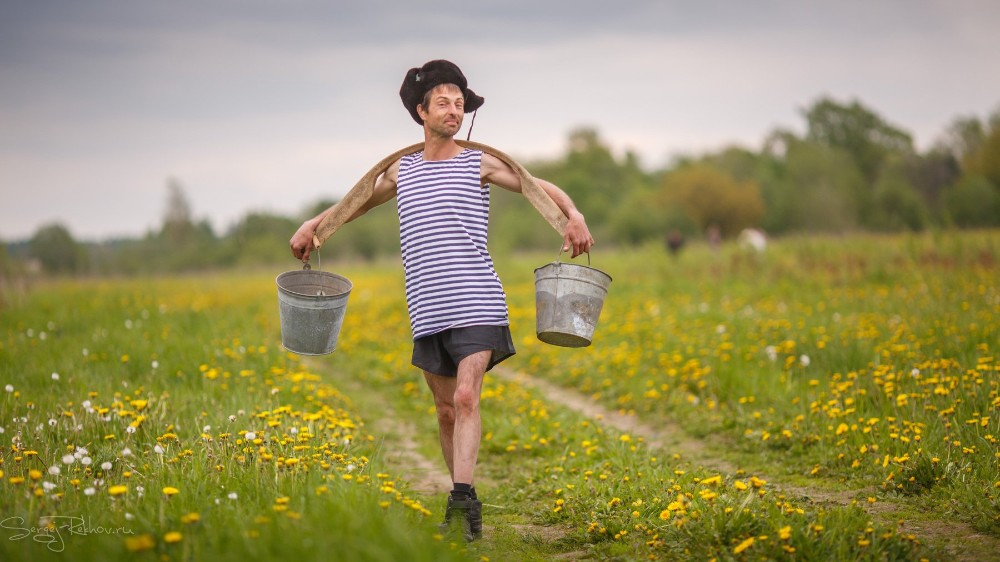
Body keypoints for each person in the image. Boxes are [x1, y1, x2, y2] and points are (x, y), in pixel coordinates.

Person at [289, 59, 594, 542]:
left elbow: (537, 186)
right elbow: (354, 203)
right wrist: (314, 226)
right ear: (421, 111)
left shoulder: (479, 162)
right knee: (446, 410)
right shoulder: (401, 171)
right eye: (444, 103)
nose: (453, 111)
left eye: (459, 104)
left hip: (477, 301)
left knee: (467, 396)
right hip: (428, 308)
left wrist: (572, 214)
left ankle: (463, 500)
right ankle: (461, 492)